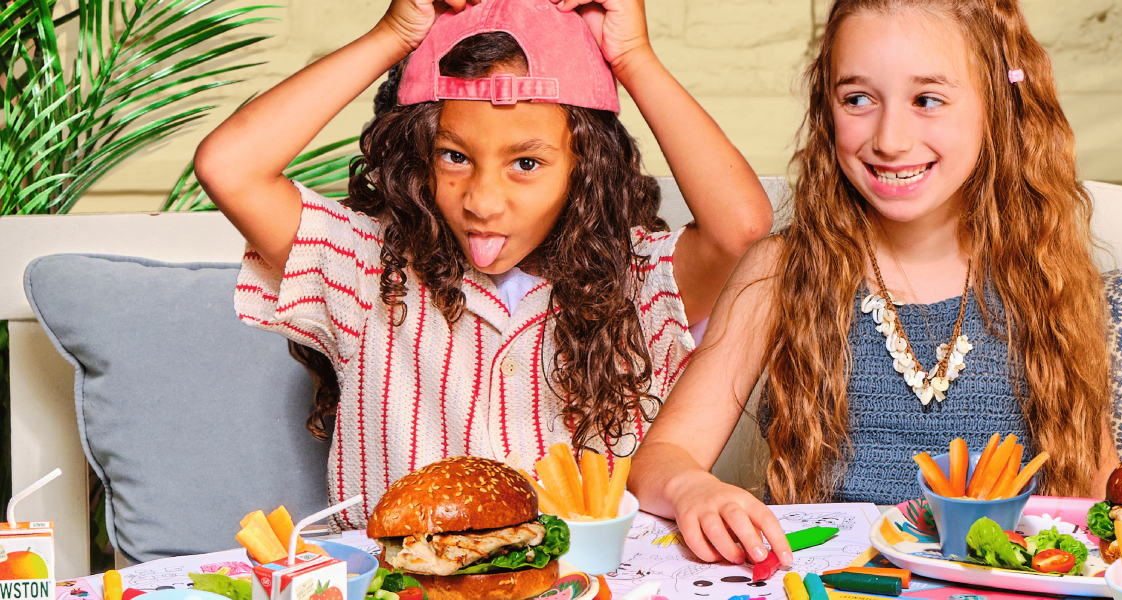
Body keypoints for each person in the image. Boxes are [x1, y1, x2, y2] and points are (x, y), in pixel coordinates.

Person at [192, 0, 772, 527]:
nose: (482, 201)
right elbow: (229, 167)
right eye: (454, 156)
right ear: (417, 154)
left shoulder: (632, 281)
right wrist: (394, 34)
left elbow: (740, 228)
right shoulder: (367, 269)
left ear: (584, 166)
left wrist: (635, 58)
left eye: (525, 162)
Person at [630, 0, 1118, 567]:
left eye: (927, 100)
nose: (890, 140)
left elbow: (1098, 482)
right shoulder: (781, 270)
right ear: (826, 107)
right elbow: (662, 456)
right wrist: (694, 487)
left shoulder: (1045, 274)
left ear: (999, 106)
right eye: (857, 99)